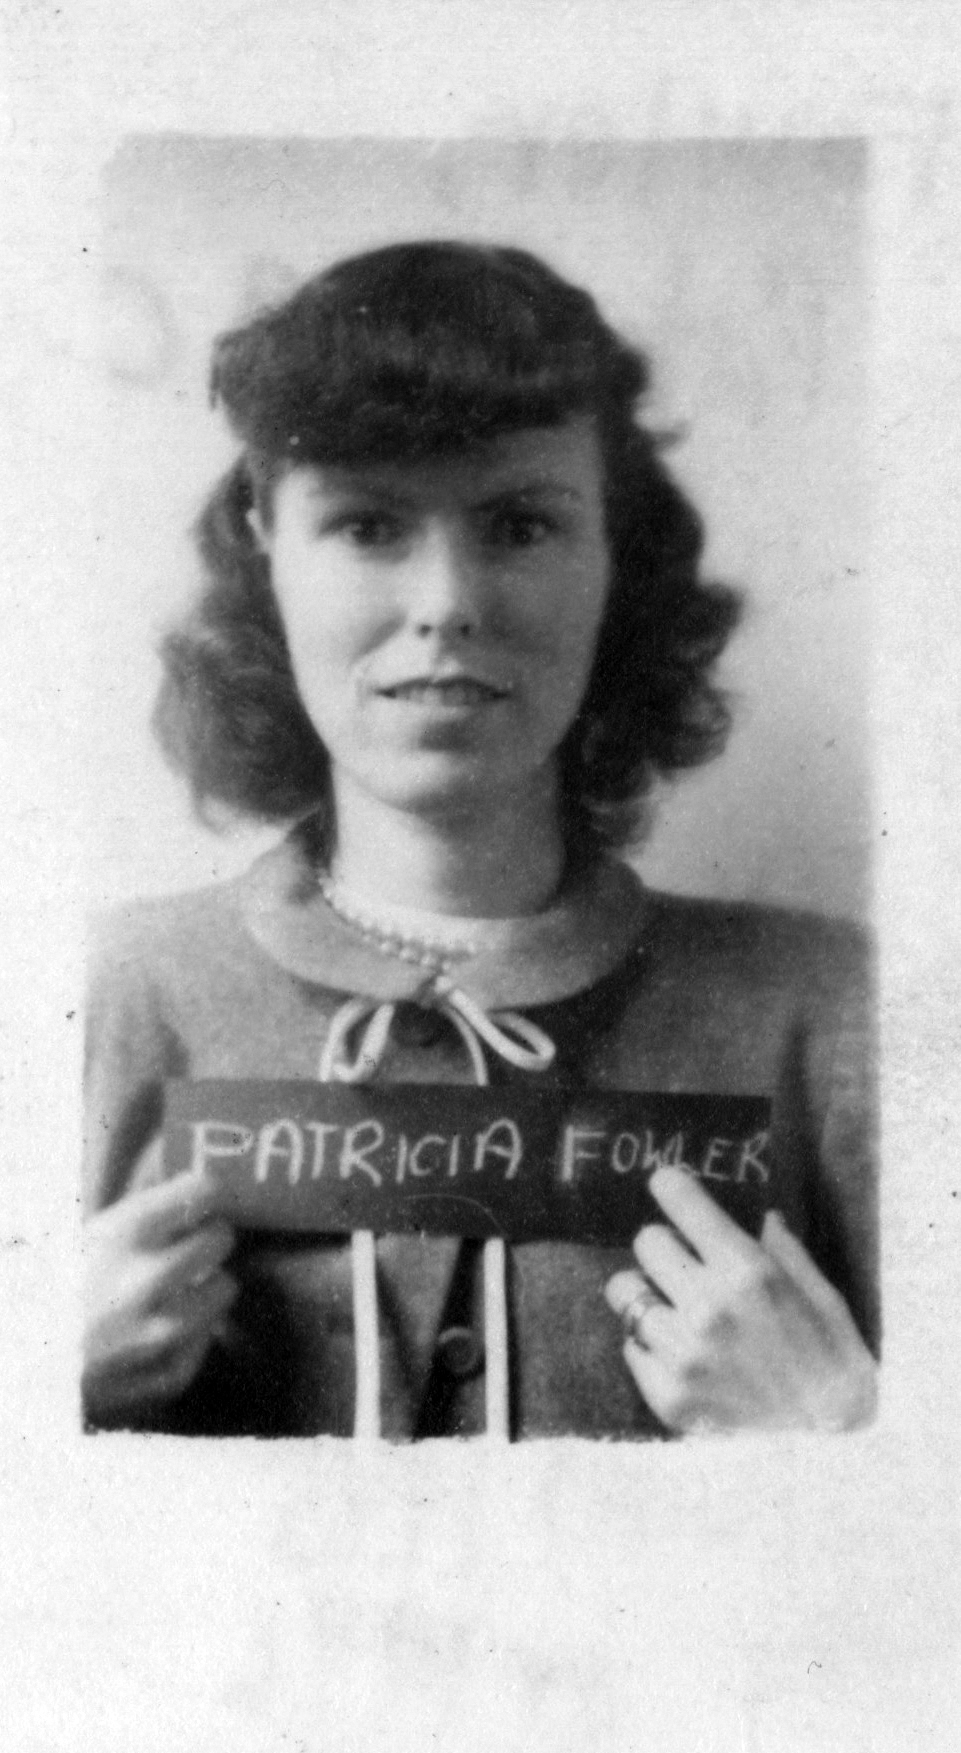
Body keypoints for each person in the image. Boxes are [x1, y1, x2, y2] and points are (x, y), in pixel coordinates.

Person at [83, 240, 878, 1440]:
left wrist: (844, 1431)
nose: (446, 599)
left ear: (615, 554)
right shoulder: (101, 997)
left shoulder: (831, 1013)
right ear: (266, 544)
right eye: (364, 526)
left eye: (518, 524)